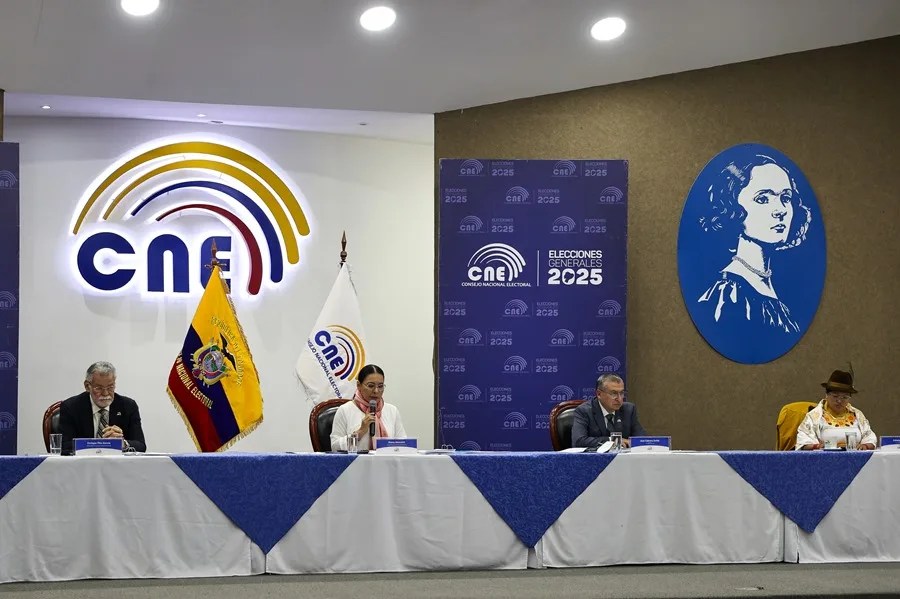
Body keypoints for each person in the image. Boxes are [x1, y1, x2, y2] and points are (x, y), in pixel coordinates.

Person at [697, 155, 812, 333]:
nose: (780, 210)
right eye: (763, 199)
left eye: (786, 198)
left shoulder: (768, 288)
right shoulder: (730, 294)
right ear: (733, 209)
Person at [58, 361, 147, 455]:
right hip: (83, 465)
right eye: (99, 388)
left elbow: (141, 445)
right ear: (87, 386)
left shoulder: (128, 406)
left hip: (117, 466)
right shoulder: (71, 407)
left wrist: (122, 443)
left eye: (110, 387)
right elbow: (64, 446)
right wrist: (100, 445)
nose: (105, 393)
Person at [330, 364, 407, 451]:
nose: (376, 391)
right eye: (371, 386)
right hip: (354, 463)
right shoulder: (345, 410)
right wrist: (360, 432)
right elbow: (335, 447)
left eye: (380, 386)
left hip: (386, 463)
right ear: (359, 385)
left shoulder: (392, 411)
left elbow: (403, 445)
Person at [796, 369, 876, 450]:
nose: (839, 401)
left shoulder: (857, 415)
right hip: (824, 458)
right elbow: (803, 441)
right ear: (826, 395)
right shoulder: (814, 416)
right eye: (835, 396)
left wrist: (865, 446)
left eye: (845, 397)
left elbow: (870, 437)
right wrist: (818, 447)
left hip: (855, 457)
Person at [571, 373, 646, 448]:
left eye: (622, 393)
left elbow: (641, 439)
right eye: (614, 393)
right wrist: (613, 440)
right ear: (599, 394)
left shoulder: (628, 410)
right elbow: (579, 441)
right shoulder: (584, 411)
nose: (619, 399)